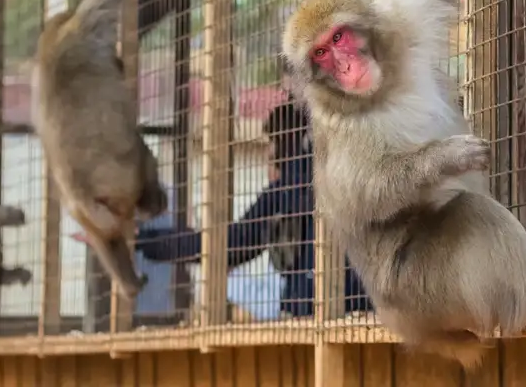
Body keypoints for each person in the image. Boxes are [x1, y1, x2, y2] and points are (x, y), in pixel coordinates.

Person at [136, 79, 373, 318]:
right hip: (366, 311)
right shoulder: (344, 171)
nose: (269, 152)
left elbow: (235, 244)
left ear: (287, 139)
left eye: (272, 141)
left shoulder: (292, 183)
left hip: (309, 313)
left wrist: (147, 242)